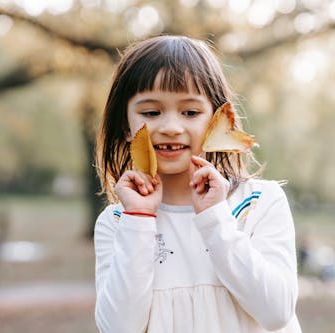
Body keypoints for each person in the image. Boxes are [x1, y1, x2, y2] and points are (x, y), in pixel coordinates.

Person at [93, 35, 302, 333]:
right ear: (126, 125)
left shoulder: (258, 203)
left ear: (216, 119)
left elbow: (276, 312)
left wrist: (215, 219)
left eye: (190, 112)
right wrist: (139, 219)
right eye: (151, 113)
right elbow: (119, 328)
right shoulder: (117, 223)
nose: (170, 128)